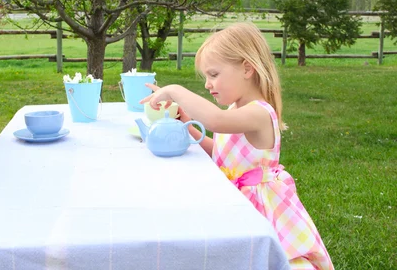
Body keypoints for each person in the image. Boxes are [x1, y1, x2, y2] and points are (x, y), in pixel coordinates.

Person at [140, 22, 333, 269]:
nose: (208, 84)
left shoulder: (260, 113)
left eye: (214, 74)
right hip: (237, 202)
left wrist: (175, 90)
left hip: (260, 210)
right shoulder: (236, 109)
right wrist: (187, 124)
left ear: (247, 68)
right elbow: (222, 154)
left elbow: (216, 121)